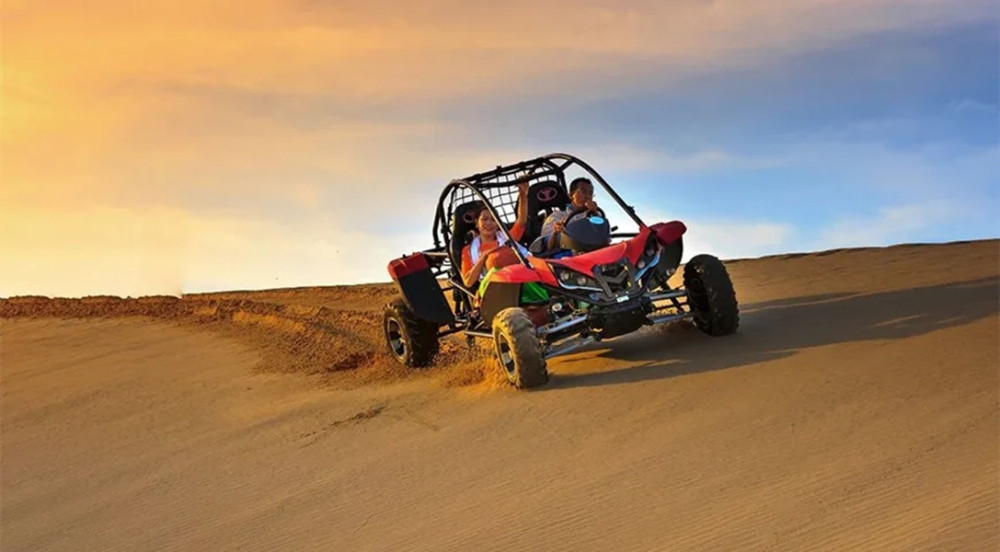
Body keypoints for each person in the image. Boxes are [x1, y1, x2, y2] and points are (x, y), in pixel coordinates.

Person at [460, 177, 531, 289]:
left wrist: (523, 194)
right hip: (493, 289)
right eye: (484, 219)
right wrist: (483, 258)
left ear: (498, 224)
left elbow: (521, 220)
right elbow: (468, 282)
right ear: (476, 223)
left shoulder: (507, 238)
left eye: (493, 220)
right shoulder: (468, 251)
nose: (489, 223)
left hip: (520, 281)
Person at [530, 176, 602, 257]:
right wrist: (555, 232)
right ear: (571, 195)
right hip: (566, 257)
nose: (588, 196)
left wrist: (594, 212)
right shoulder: (557, 216)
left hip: (593, 252)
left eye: (590, 193)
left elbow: (602, 235)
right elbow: (549, 246)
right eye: (583, 192)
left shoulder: (595, 215)